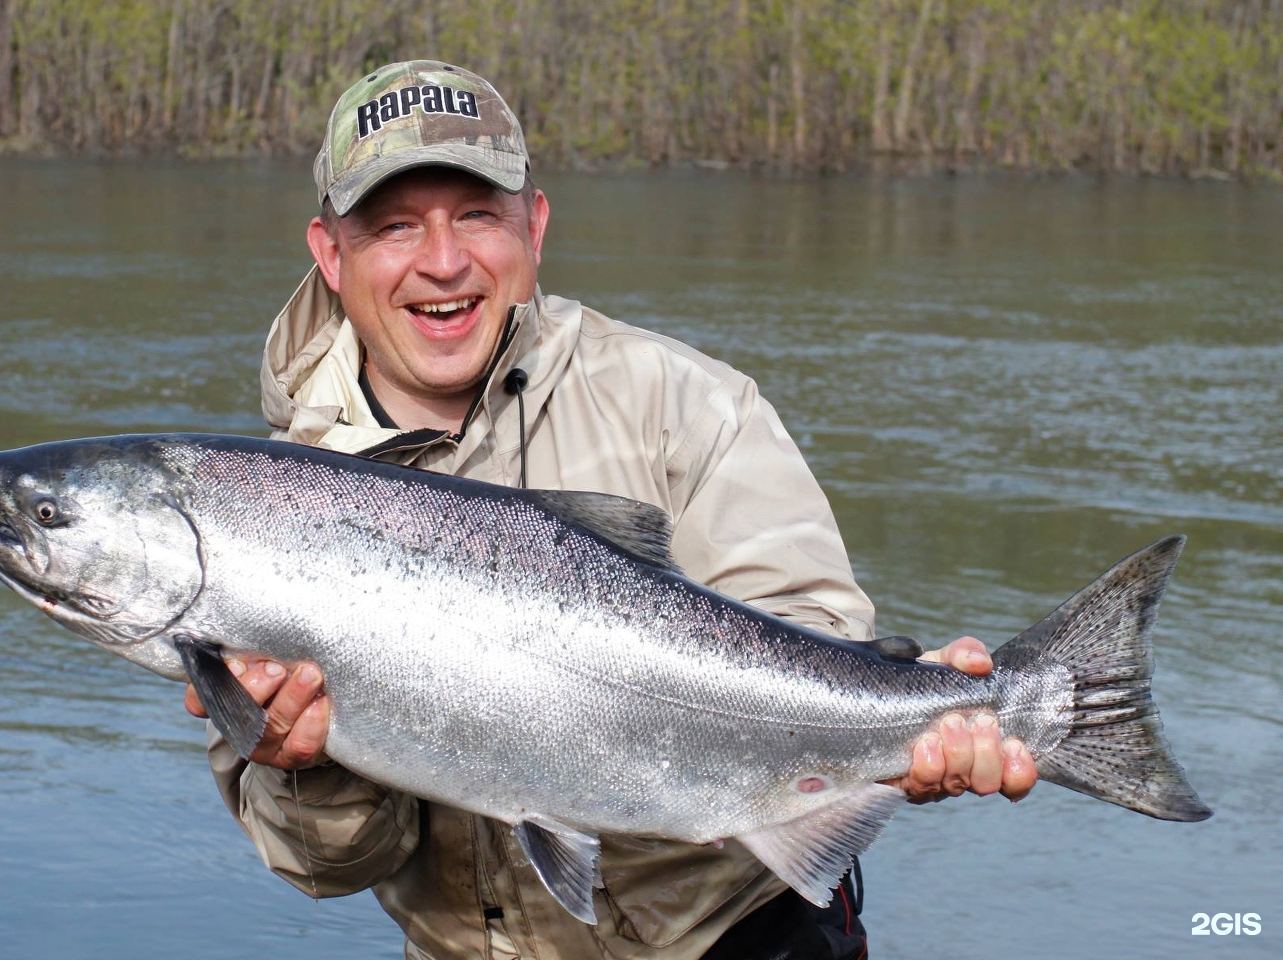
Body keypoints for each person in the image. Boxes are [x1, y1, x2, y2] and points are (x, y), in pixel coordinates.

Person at [184, 60, 1038, 959]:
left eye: (477, 215)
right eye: (395, 227)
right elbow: (324, 870)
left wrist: (916, 722)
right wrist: (305, 767)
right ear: (330, 253)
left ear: (536, 226)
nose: (442, 261)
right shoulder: (267, 516)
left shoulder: (687, 404)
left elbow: (810, 635)